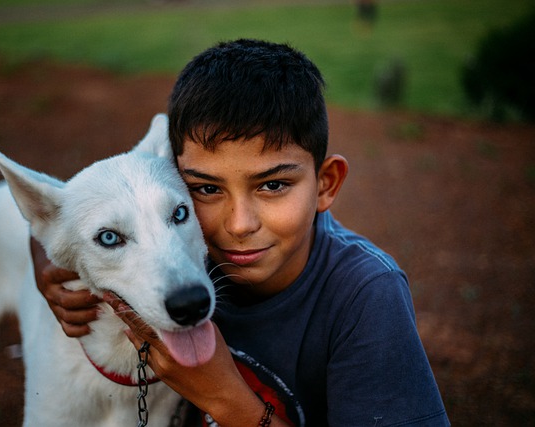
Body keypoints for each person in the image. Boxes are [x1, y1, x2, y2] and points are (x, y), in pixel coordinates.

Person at [31, 39, 449, 426]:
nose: (239, 224)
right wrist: (49, 263)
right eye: (207, 189)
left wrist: (224, 398)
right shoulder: (184, 251)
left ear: (325, 184)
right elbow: (106, 206)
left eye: (273, 185)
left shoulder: (364, 294)